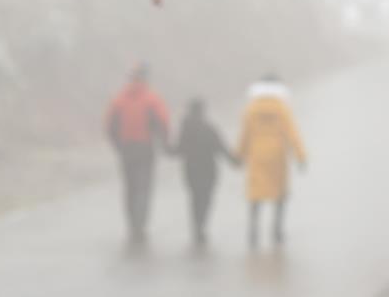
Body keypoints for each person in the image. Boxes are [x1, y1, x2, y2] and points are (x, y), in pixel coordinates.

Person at [236, 73, 307, 248]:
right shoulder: (282, 108)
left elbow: (245, 134)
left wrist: (239, 155)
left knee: (255, 195)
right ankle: (277, 230)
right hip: (277, 157)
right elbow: (292, 133)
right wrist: (301, 156)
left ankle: (253, 230)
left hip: (257, 156)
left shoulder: (251, 108)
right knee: (279, 195)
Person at [105, 64, 170, 244]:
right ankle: (140, 225)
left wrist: (118, 145)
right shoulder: (152, 100)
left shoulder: (119, 100)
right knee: (143, 188)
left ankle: (132, 223)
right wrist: (164, 144)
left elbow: (110, 127)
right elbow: (162, 124)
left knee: (130, 188)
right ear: (145, 79)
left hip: (126, 149)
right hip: (145, 148)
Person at [171, 98, 238, 246]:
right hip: (209, 171)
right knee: (206, 199)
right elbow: (221, 147)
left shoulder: (185, 130)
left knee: (194, 199)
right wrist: (235, 161)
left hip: (190, 170)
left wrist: (166, 148)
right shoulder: (209, 128)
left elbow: (178, 150)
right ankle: (201, 225)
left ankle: (196, 226)